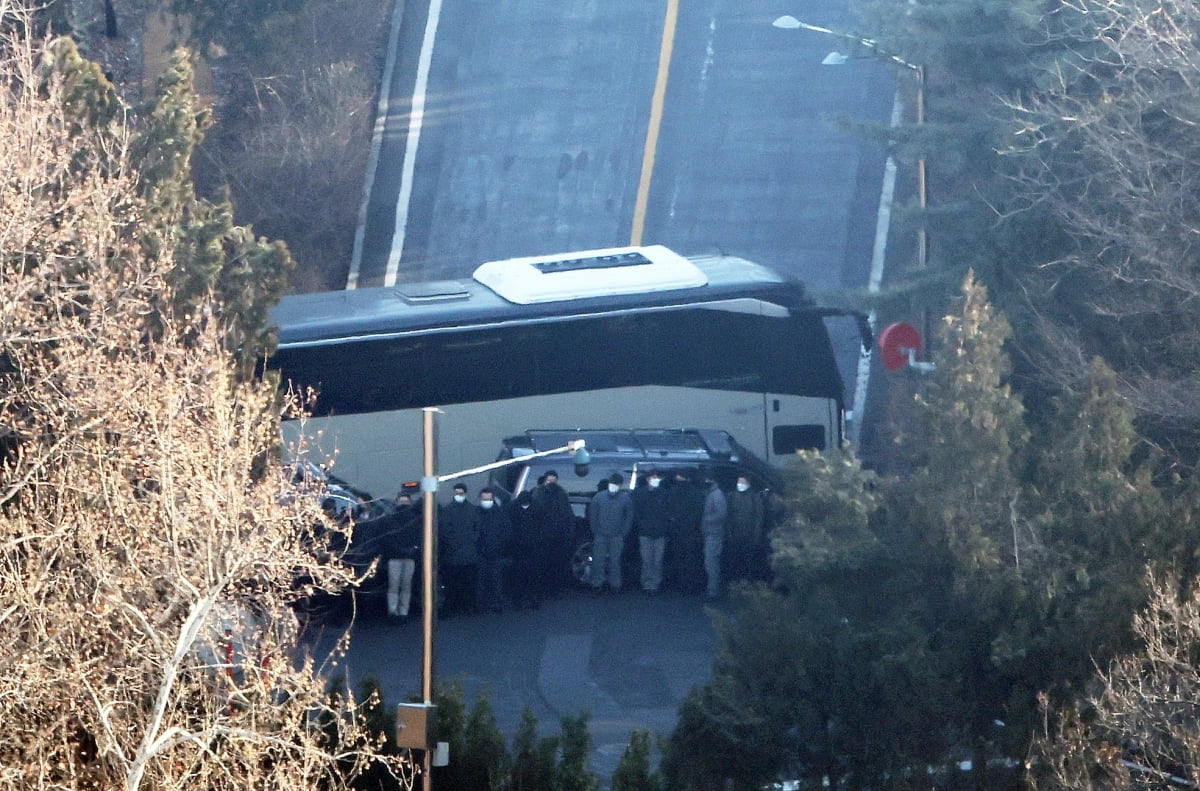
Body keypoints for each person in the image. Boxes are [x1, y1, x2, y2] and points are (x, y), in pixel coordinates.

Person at [438, 483, 480, 615]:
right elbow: (444, 531)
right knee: (452, 584)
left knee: (467, 583)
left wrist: (469, 540)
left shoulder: (471, 510)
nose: (458, 495)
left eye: (460, 493)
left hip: (464, 553)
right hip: (456, 554)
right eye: (457, 493)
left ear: (465, 493)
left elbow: (477, 529)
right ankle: (455, 607)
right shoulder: (449, 510)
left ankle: (464, 607)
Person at [379, 492, 422, 621]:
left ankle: (403, 612)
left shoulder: (414, 518)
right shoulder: (391, 519)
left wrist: (412, 549)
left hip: (406, 557)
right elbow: (387, 539)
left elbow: (419, 537)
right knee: (394, 585)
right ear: (397, 502)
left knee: (405, 585)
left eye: (406, 501)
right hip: (396, 557)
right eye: (402, 501)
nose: (403, 504)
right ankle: (394, 612)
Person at [587, 473, 633, 594]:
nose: (614, 486)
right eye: (612, 483)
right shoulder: (598, 497)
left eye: (616, 484)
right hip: (600, 535)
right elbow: (593, 516)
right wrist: (595, 531)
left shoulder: (625, 498)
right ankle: (597, 584)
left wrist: (624, 533)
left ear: (620, 485)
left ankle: (615, 585)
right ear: (608, 484)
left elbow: (628, 517)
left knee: (615, 561)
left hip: (617, 536)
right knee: (598, 561)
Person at [531, 469, 575, 595]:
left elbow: (568, 514)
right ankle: (543, 589)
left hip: (558, 536)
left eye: (553, 480)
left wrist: (569, 532)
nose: (551, 483)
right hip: (543, 535)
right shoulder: (538, 493)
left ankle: (555, 589)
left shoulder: (561, 494)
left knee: (557, 564)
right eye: (549, 480)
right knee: (543, 564)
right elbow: (534, 514)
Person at [665, 470, 705, 594]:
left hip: (677, 532)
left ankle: (680, 584)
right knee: (690, 559)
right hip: (691, 532)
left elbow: (668, 511)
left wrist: (673, 522)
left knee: (679, 559)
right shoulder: (697, 493)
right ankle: (689, 585)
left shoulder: (672, 492)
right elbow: (699, 513)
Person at [475, 487, 513, 613]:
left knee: (495, 579)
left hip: (495, 552)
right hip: (480, 552)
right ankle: (481, 604)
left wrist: (500, 546)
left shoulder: (500, 514)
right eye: (484, 499)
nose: (486, 501)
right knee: (481, 580)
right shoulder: (475, 513)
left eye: (489, 499)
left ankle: (496, 603)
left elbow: (507, 532)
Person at [724, 475, 768, 584]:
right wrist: (729, 532)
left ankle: (748, 584)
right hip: (735, 535)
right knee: (735, 562)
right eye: (739, 482)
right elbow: (729, 516)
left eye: (743, 482)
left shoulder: (755, 497)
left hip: (749, 536)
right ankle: (736, 584)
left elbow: (759, 517)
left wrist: (756, 535)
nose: (740, 484)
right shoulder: (732, 496)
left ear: (748, 484)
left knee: (749, 562)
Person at [633, 469, 671, 594]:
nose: (656, 480)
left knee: (657, 560)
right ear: (648, 478)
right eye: (653, 477)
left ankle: (655, 584)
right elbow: (636, 512)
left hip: (660, 532)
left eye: (657, 477)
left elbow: (667, 512)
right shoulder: (640, 493)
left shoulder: (664, 493)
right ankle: (646, 583)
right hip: (645, 532)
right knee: (646, 559)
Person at [508, 490, 547, 609]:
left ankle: (525, 599)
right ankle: (526, 598)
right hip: (521, 545)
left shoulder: (514, 507)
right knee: (523, 573)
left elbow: (543, 526)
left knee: (529, 573)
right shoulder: (535, 507)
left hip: (531, 545)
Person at [700, 473, 728, 601]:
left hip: (714, 533)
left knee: (711, 562)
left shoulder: (716, 495)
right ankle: (712, 588)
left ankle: (713, 590)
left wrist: (706, 520)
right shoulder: (712, 494)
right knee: (710, 562)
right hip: (711, 532)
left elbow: (721, 514)